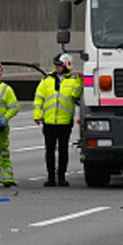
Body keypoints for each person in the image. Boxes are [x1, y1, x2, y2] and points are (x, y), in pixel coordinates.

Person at [33, 53, 83, 187]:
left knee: (63, 151)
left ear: (66, 66)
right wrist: (37, 114)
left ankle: (61, 177)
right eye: (55, 65)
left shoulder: (73, 81)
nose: (56, 67)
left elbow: (75, 95)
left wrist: (80, 81)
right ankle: (51, 177)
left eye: (59, 65)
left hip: (65, 122)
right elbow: (39, 98)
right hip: (49, 122)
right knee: (49, 151)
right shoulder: (46, 80)